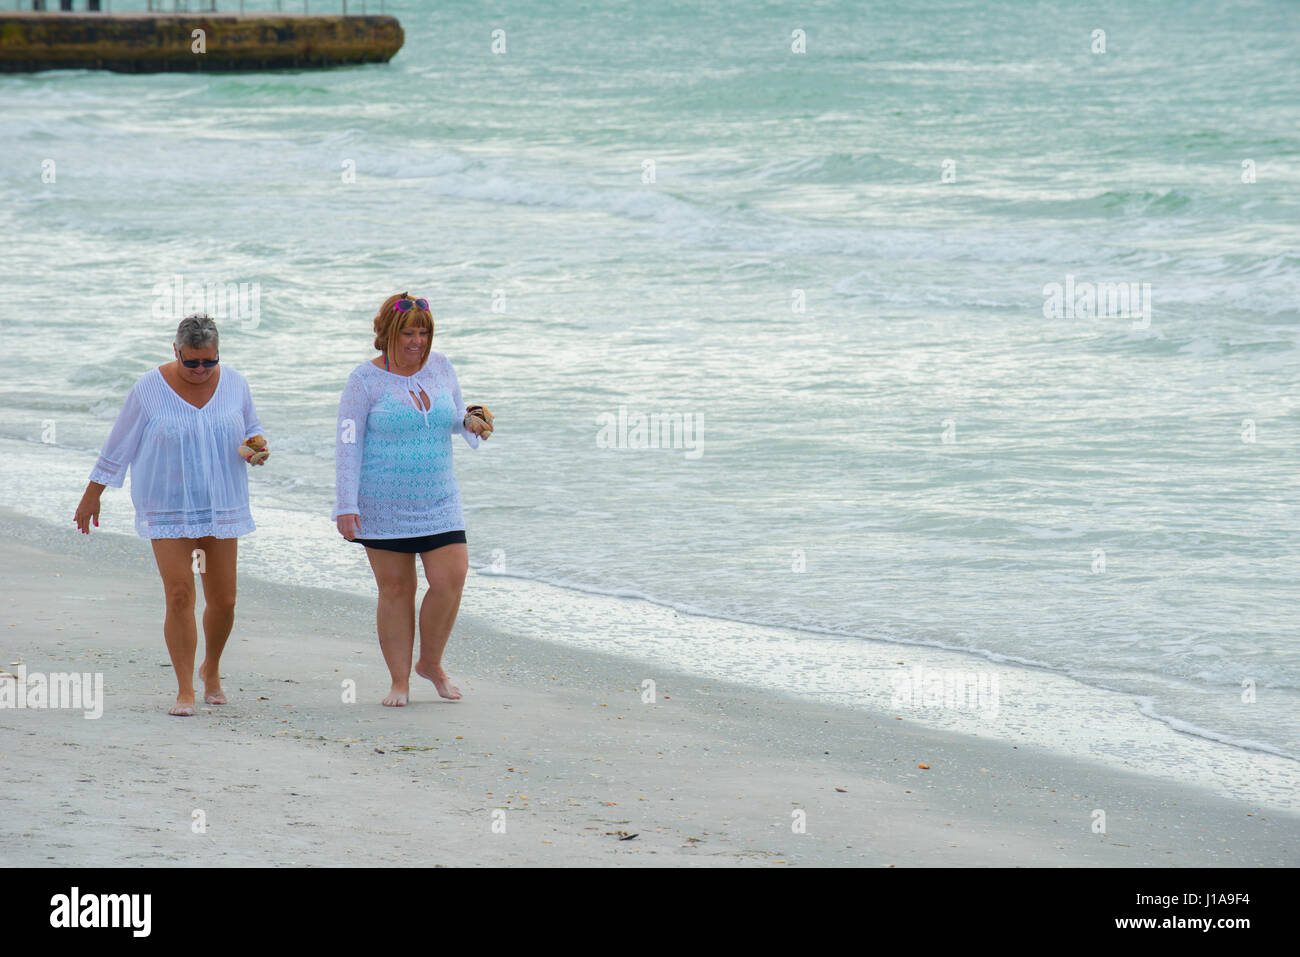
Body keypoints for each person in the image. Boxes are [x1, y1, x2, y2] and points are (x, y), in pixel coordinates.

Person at [74, 314, 268, 716]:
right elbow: (119, 445)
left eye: (208, 362)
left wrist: (256, 449)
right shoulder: (148, 389)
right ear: (175, 351)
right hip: (166, 505)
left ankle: (210, 670)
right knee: (180, 594)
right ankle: (184, 690)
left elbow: (251, 431)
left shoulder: (235, 383)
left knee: (225, 600)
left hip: (220, 504)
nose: (200, 370)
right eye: (191, 362)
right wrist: (92, 495)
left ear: (218, 355)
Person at [334, 292, 492, 707]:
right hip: (381, 504)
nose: (418, 341)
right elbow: (348, 443)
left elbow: (456, 415)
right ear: (388, 333)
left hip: (440, 499)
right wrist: (345, 504)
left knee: (450, 579)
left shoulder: (441, 368)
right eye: (408, 332)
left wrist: (472, 423)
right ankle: (399, 681)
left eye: (424, 332)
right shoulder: (363, 381)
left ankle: (431, 663)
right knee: (396, 589)